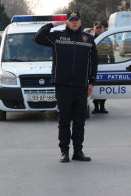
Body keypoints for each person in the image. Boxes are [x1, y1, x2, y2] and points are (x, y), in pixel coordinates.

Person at [34, 10, 98, 163]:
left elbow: (94, 62)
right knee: (64, 121)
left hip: (81, 86)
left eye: (76, 20)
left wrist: (91, 81)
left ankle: (78, 151)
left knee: (79, 121)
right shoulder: (58, 37)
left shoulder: (87, 39)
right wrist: (52, 25)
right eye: (71, 20)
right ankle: (64, 152)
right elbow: (37, 38)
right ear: (67, 22)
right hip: (63, 86)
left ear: (80, 22)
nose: (74, 22)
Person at [91, 21, 109, 114]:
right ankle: (96, 107)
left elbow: (111, 52)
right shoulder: (90, 39)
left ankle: (102, 106)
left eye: (100, 27)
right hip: (94, 65)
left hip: (105, 64)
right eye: (97, 27)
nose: (98, 29)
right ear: (94, 28)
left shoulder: (107, 39)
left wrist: (111, 62)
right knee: (95, 86)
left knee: (103, 86)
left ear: (102, 28)